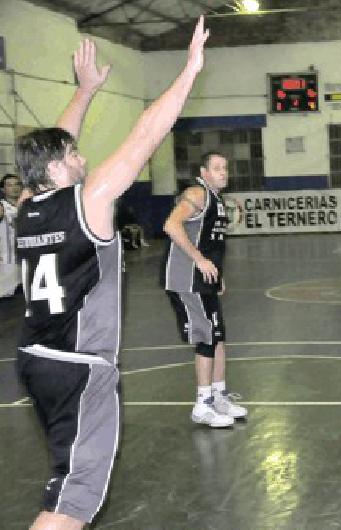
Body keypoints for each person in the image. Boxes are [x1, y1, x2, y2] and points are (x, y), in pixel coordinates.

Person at [14, 20, 208, 530]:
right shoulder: (91, 201)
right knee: (71, 503)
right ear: (58, 170)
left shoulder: (28, 205)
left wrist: (83, 93)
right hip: (81, 369)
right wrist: (189, 72)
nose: (81, 156)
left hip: (36, 356)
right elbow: (146, 131)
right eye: (73, 154)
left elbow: (51, 150)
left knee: (67, 482)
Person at [162, 151, 246, 428]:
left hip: (204, 279)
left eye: (226, 168)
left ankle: (220, 395)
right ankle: (203, 404)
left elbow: (210, 241)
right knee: (207, 339)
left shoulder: (215, 198)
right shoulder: (197, 194)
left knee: (219, 337)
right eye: (218, 168)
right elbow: (171, 225)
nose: (224, 172)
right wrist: (199, 260)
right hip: (186, 279)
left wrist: (216, 275)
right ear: (204, 172)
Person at [0, 173, 22, 297]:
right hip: (6, 265)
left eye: (17, 184)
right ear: (3, 189)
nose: (14, 188)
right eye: (9, 185)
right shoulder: (2, 207)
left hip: (24, 264)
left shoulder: (26, 206)